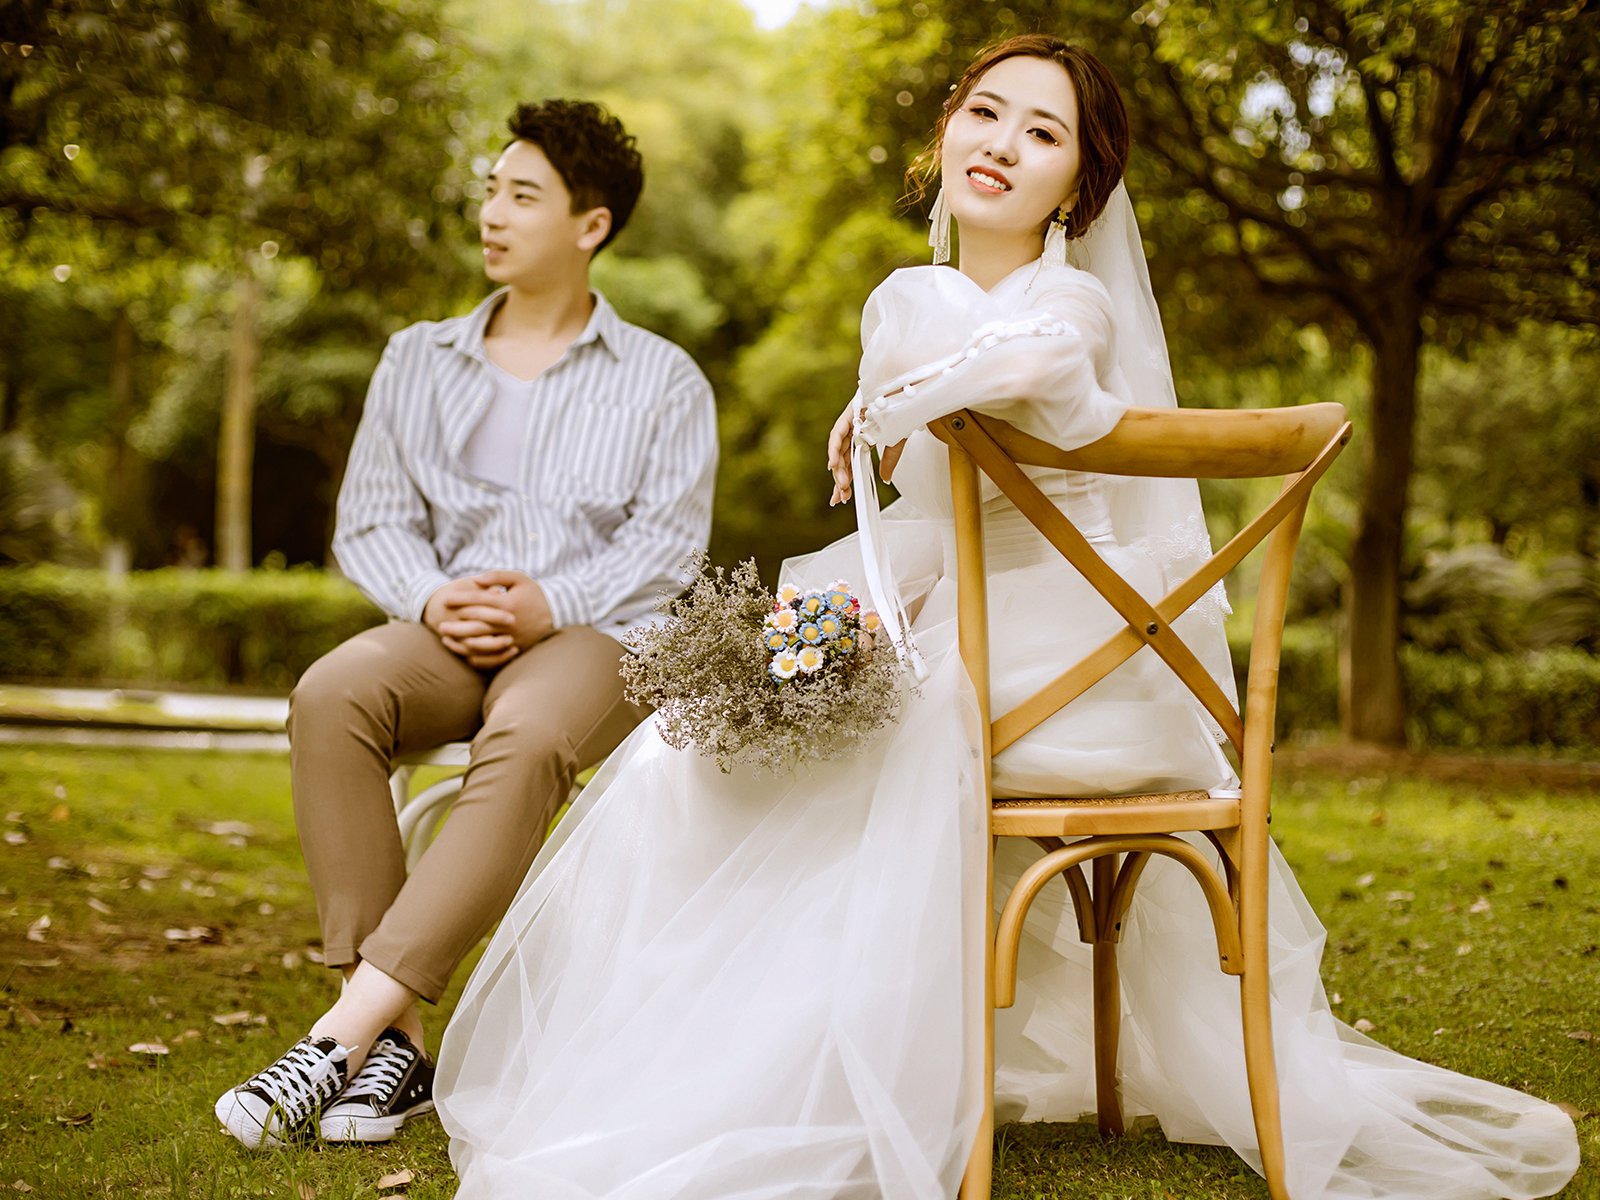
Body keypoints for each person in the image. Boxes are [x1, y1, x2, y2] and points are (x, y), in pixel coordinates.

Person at [434, 38, 1579, 1200]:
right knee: (704, 742)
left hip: (1082, 673)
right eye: (985, 113)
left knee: (875, 734)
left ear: (1078, 186)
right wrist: (847, 537)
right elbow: (935, 523)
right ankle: (697, 1071)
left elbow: (1048, 377)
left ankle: (806, 1079)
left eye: (1043, 133)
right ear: (945, 132)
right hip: (1027, 649)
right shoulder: (909, 297)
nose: (1002, 144)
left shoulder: (1068, 300)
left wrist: (886, 403)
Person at [213, 98, 718, 1150]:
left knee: (527, 737)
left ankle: (339, 1035)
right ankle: (391, 1044)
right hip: (445, 628)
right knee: (331, 693)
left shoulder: (663, 378)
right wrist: (433, 598)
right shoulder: (418, 358)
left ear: (590, 225)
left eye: (522, 195)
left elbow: (668, 549)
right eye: (491, 190)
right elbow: (373, 520)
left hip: (593, 637)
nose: (492, 213)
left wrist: (551, 603)